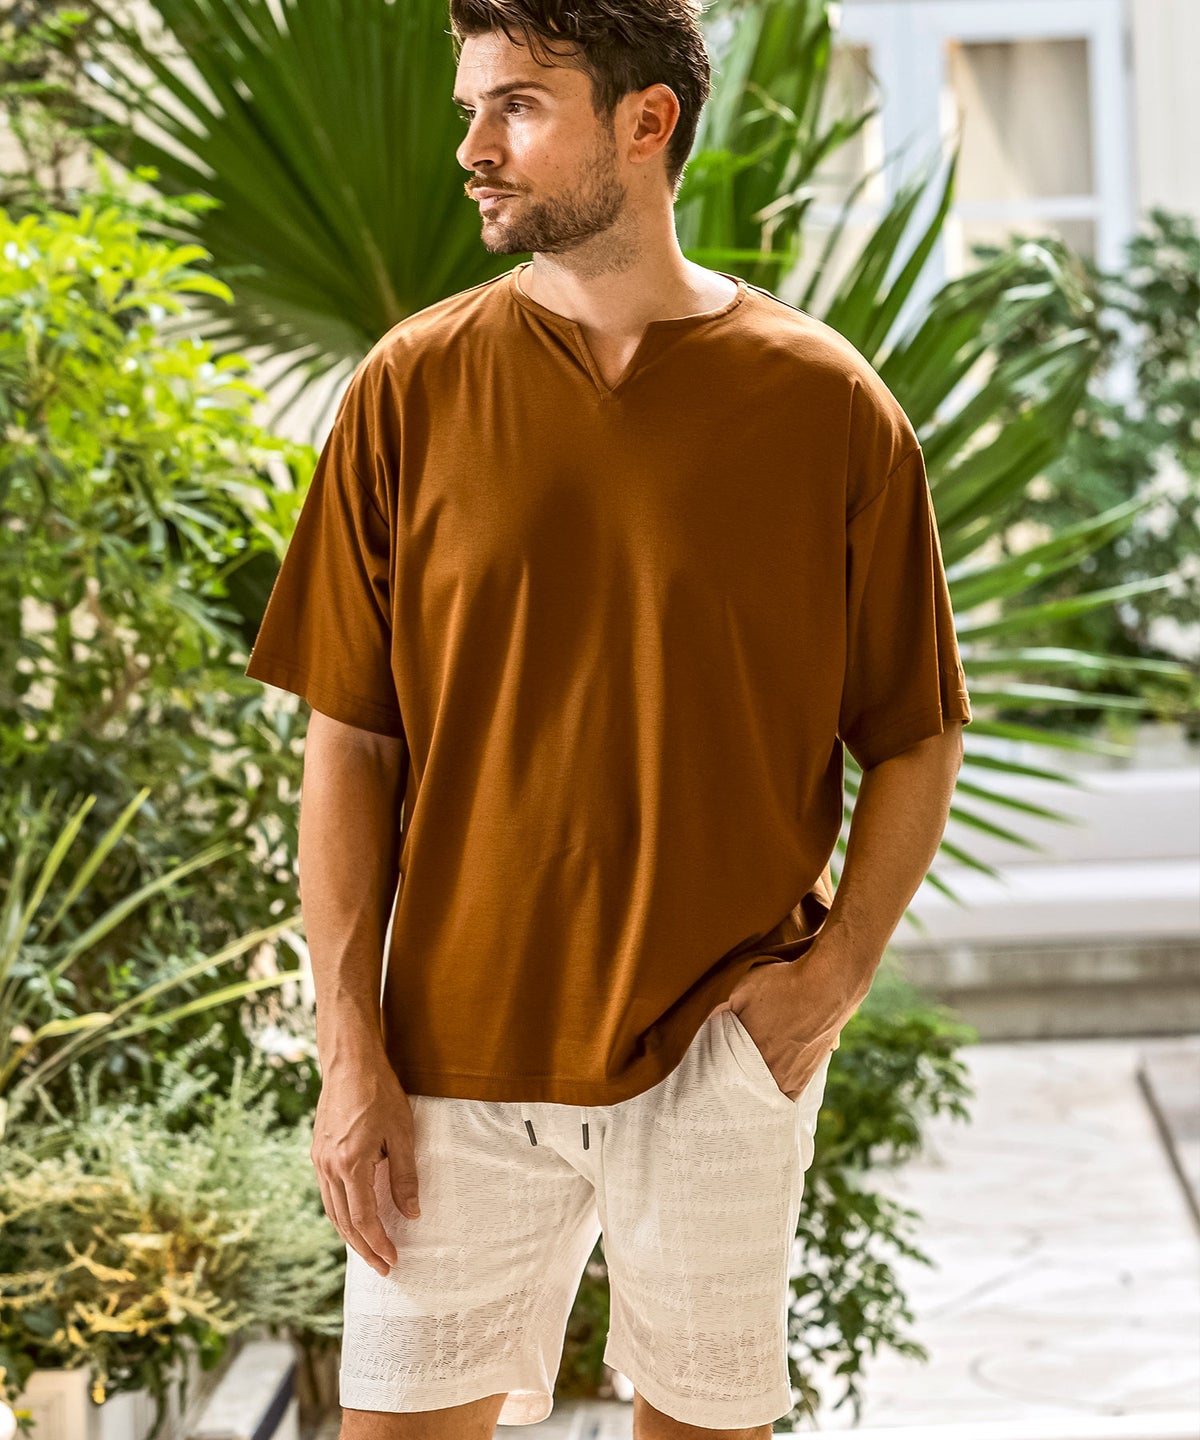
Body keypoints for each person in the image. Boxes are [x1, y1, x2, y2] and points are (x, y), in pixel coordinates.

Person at [243, 2, 972, 1436]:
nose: (473, 148)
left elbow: (916, 729)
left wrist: (829, 983)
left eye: (517, 106)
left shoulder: (826, 404)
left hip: (715, 1046)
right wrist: (349, 1052)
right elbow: (353, 743)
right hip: (445, 1060)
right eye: (470, 108)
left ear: (647, 123)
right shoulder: (408, 388)